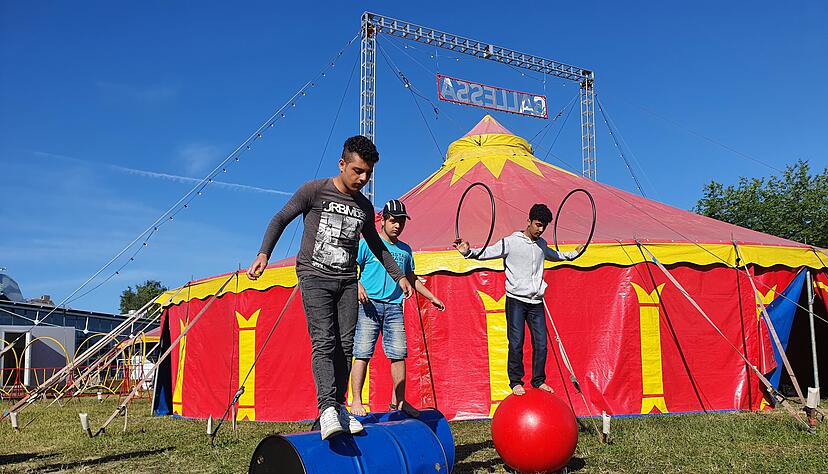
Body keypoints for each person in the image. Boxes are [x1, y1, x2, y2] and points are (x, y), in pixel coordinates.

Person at [247, 136, 413, 440]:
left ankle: (339, 407)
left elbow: (377, 245)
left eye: (368, 174)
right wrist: (263, 254)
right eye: (357, 171)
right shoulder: (314, 191)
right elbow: (280, 218)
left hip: (347, 280)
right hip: (314, 276)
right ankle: (326, 410)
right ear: (342, 164)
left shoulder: (364, 205)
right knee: (324, 341)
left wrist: (398, 275)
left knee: (346, 346)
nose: (362, 178)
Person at [454, 203, 584, 396]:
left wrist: (574, 254)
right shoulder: (510, 242)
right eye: (538, 224)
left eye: (544, 227)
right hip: (516, 300)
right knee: (516, 342)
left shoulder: (542, 245)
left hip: (536, 302)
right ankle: (515, 381)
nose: (540, 230)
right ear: (529, 221)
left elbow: (556, 256)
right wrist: (468, 252)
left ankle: (538, 380)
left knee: (541, 344)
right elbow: (487, 253)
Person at [349, 199, 445, 418]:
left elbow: (411, 278)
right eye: (393, 221)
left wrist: (432, 297)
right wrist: (358, 285)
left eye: (401, 222)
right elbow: (350, 267)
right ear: (382, 220)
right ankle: (355, 400)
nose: (397, 226)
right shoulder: (367, 243)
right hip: (368, 305)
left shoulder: (405, 250)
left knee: (398, 354)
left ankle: (399, 401)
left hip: (394, 307)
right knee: (362, 353)